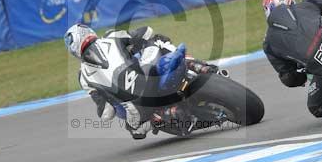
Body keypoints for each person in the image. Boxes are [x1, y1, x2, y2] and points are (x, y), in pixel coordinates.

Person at [64, 24, 215, 139]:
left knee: (135, 131)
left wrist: (114, 101)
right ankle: (196, 64)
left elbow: (105, 112)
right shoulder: (111, 36)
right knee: (157, 40)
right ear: (89, 32)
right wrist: (139, 50)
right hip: (150, 75)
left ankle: (166, 114)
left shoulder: (83, 76)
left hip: (137, 106)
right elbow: (146, 31)